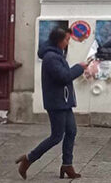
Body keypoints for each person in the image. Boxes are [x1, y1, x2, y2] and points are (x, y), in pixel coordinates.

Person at [16, 28, 87, 180]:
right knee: (56, 136)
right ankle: (28, 159)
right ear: (58, 41)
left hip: (64, 101)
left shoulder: (56, 55)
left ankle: (67, 165)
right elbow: (64, 76)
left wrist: (79, 68)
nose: (68, 43)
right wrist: (79, 68)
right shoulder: (51, 58)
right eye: (66, 40)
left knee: (72, 131)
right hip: (56, 102)